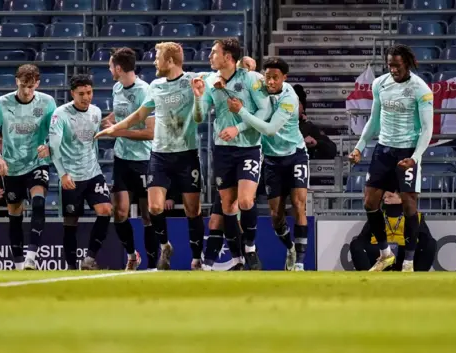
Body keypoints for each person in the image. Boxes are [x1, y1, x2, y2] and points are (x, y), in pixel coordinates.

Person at [96, 42, 205, 270]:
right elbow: (139, 114)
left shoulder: (193, 79)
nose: (154, 61)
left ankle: (197, 259)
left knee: (192, 210)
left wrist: (245, 68)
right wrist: (114, 129)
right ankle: (165, 245)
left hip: (186, 154)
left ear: (171, 60)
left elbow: (204, 106)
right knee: (154, 208)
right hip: (160, 155)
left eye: (158, 57)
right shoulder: (155, 86)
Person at [348, 44, 434, 272]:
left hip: (408, 151)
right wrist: (359, 147)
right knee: (369, 201)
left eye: (397, 65)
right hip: (383, 150)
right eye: (390, 65)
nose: (393, 69)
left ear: (407, 63)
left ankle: (408, 262)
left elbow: (427, 129)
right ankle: (385, 254)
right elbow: (373, 119)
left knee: (408, 204)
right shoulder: (380, 84)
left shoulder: (421, 89)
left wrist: (415, 158)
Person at [192, 38, 271, 270]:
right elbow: (199, 117)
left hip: (249, 147)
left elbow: (264, 111)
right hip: (223, 150)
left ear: (228, 57)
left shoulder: (251, 79)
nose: (210, 56)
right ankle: (237, 258)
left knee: (245, 200)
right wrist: (198, 97)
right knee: (228, 206)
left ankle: (250, 248)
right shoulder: (209, 81)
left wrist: (238, 127)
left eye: (214, 52)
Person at [224, 57, 309, 271]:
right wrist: (245, 67)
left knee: (299, 205)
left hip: (295, 153)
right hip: (271, 158)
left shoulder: (290, 98)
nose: (270, 82)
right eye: (268, 77)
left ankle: (299, 262)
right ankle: (290, 248)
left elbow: (270, 129)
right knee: (275, 216)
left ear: (284, 78)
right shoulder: (260, 85)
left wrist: (241, 112)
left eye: (276, 78)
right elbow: (243, 77)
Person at [0, 64, 57, 270]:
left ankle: (31, 258)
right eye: (24, 85)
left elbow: (56, 130)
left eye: (31, 87)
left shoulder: (47, 102)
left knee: (38, 202)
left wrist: (50, 146)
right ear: (16, 80)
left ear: (38, 84)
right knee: (15, 213)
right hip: (12, 166)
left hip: (37, 161)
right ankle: (18, 265)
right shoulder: (2, 103)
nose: (27, 92)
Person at [49, 75, 113, 270]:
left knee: (106, 210)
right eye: (81, 94)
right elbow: (54, 146)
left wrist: (107, 125)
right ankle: (70, 266)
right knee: (71, 221)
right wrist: (63, 174)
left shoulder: (95, 111)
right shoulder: (61, 114)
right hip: (71, 176)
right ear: (72, 94)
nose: (86, 97)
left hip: (93, 172)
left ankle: (90, 258)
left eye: (89, 92)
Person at [100, 47, 154, 270]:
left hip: (144, 159)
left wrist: (117, 131)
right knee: (120, 212)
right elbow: (121, 114)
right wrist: (106, 120)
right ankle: (132, 256)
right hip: (122, 158)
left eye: (111, 65)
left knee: (147, 214)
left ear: (119, 68)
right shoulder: (116, 87)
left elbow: (150, 132)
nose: (109, 69)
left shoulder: (145, 91)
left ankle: (153, 265)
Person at [350, 191, 436, 271]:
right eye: (385, 197)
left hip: (404, 253)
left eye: (390, 196)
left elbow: (427, 241)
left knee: (431, 244)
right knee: (355, 243)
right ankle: (366, 278)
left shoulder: (415, 217)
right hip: (380, 253)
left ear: (401, 197)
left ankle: (418, 278)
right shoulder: (377, 216)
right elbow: (362, 238)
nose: (386, 199)